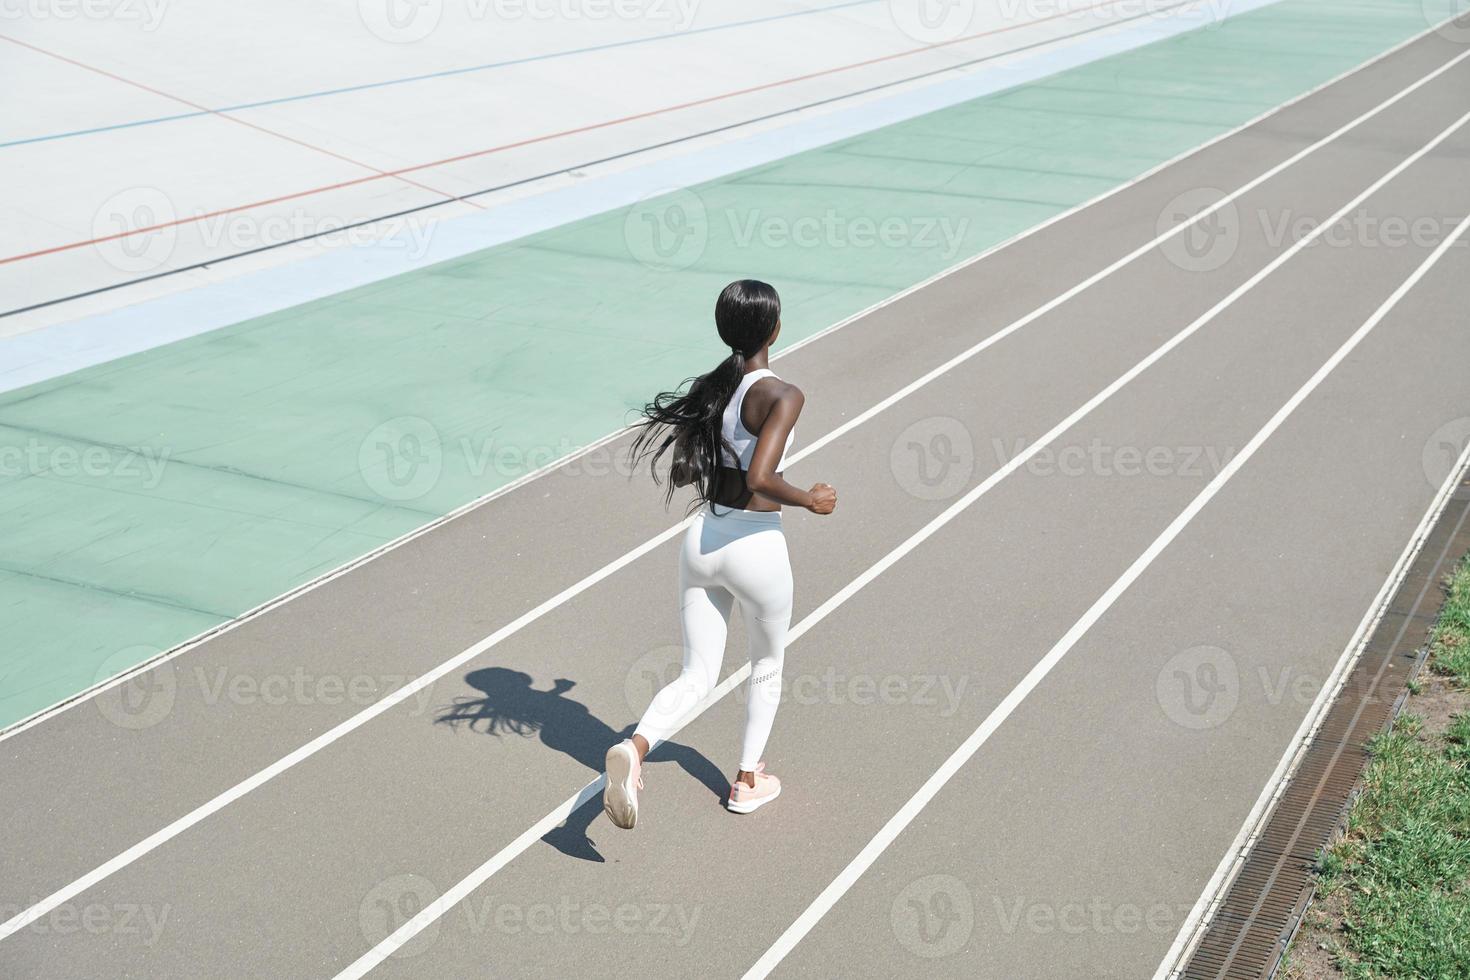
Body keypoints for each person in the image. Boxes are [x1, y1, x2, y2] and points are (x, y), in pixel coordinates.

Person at [603, 279, 837, 829]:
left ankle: (635, 749)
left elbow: (687, 471)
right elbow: (761, 476)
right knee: (767, 665)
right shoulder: (783, 394)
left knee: (697, 672)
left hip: (703, 541)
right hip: (756, 546)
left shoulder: (714, 390)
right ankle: (748, 781)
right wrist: (810, 499)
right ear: (775, 329)